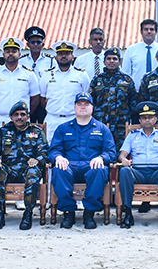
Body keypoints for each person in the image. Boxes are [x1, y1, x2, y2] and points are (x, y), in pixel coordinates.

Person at [49, 92, 117, 230]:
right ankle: (69, 213)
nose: (83, 107)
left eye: (86, 104)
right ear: (74, 108)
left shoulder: (102, 129)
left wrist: (101, 158)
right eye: (79, 104)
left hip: (91, 166)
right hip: (70, 166)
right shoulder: (62, 128)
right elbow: (53, 150)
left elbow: (111, 152)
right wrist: (58, 157)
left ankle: (89, 213)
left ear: (92, 108)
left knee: (100, 169)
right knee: (58, 169)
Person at [0, 100, 49, 231]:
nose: (19, 117)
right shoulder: (3, 131)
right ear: (11, 117)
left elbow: (45, 151)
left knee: (34, 171)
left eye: (22, 114)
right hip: (8, 169)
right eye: (16, 114)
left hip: (28, 168)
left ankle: (28, 214)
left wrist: (37, 160)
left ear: (28, 116)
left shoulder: (36, 132)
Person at [117, 101, 158, 229]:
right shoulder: (133, 135)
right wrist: (124, 160)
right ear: (140, 120)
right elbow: (122, 154)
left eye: (150, 117)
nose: (147, 120)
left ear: (155, 119)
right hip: (138, 172)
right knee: (124, 171)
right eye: (144, 118)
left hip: (157, 172)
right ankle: (127, 214)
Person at [0, 36, 40, 140]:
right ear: (3, 54)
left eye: (14, 51)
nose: (11, 54)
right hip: (1, 118)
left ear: (19, 54)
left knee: (25, 149)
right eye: (7, 51)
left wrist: (24, 114)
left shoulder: (29, 74)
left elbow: (35, 98)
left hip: (22, 120)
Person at [41, 40, 91, 143]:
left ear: (72, 56)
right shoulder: (47, 75)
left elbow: (86, 97)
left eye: (67, 54)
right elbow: (42, 98)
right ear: (56, 57)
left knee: (73, 149)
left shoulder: (81, 75)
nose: (63, 56)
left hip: (74, 119)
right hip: (52, 119)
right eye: (60, 54)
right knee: (51, 150)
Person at [89, 46, 138, 150]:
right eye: (109, 59)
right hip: (100, 124)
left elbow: (133, 104)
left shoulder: (127, 80)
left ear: (119, 62)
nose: (112, 61)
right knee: (99, 150)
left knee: (121, 152)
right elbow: (91, 103)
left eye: (115, 59)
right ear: (104, 61)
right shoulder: (96, 80)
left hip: (121, 125)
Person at [20, 26, 55, 123]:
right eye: (32, 42)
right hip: (28, 101)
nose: (35, 44)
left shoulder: (51, 61)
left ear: (43, 44)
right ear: (27, 44)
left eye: (38, 42)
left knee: (43, 129)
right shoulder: (21, 61)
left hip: (44, 102)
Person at [122, 18, 158, 85]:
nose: (149, 31)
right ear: (141, 32)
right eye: (146, 29)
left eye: (151, 29)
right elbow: (125, 74)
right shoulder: (131, 50)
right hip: (137, 92)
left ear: (156, 32)